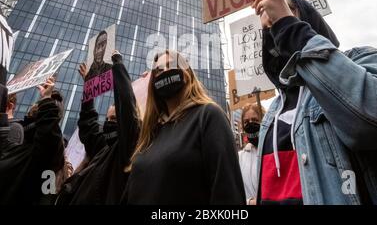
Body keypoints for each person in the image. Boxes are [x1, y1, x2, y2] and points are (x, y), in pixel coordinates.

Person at [251, 0, 377, 205]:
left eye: (284, 7)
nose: (269, 18)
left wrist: (289, 27)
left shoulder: (362, 60)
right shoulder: (274, 110)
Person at [122, 50, 245, 205]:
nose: (165, 72)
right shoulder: (150, 132)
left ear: (187, 73)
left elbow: (228, 193)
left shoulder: (208, 116)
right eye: (159, 70)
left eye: (171, 65)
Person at [56, 51, 140, 205]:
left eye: (114, 119)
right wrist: (89, 86)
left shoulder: (129, 148)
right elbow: (88, 123)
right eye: (107, 118)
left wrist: (118, 65)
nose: (109, 122)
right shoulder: (103, 147)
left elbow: (126, 105)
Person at [0, 77, 65, 204]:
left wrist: (46, 99)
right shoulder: (17, 139)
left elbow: (47, 192)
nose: (35, 107)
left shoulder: (49, 150)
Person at [238, 103, 265, 205]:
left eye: (255, 120)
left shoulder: (275, 152)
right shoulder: (240, 157)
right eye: (246, 122)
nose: (250, 124)